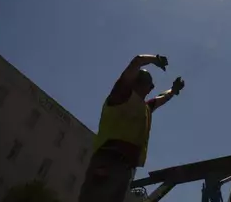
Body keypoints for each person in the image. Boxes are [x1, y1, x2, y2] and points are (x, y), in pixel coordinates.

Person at [78, 54, 185, 202]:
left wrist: (173, 90)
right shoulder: (120, 96)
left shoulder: (145, 108)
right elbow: (136, 62)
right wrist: (155, 59)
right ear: (138, 83)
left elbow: (162, 98)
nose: (151, 88)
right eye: (150, 84)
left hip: (126, 167)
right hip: (108, 160)